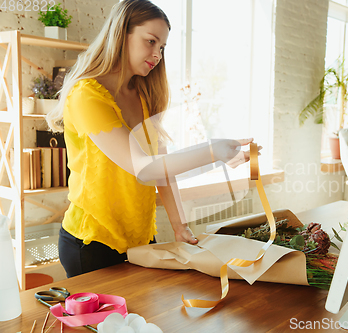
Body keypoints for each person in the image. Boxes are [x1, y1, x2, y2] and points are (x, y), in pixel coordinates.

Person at [46, 0, 255, 278]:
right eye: (151, 41)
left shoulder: (143, 96)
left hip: (141, 237)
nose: (157, 54)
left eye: (162, 47)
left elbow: (162, 166)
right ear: (122, 35)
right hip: (92, 242)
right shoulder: (86, 96)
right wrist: (213, 152)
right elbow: (144, 167)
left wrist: (179, 225)